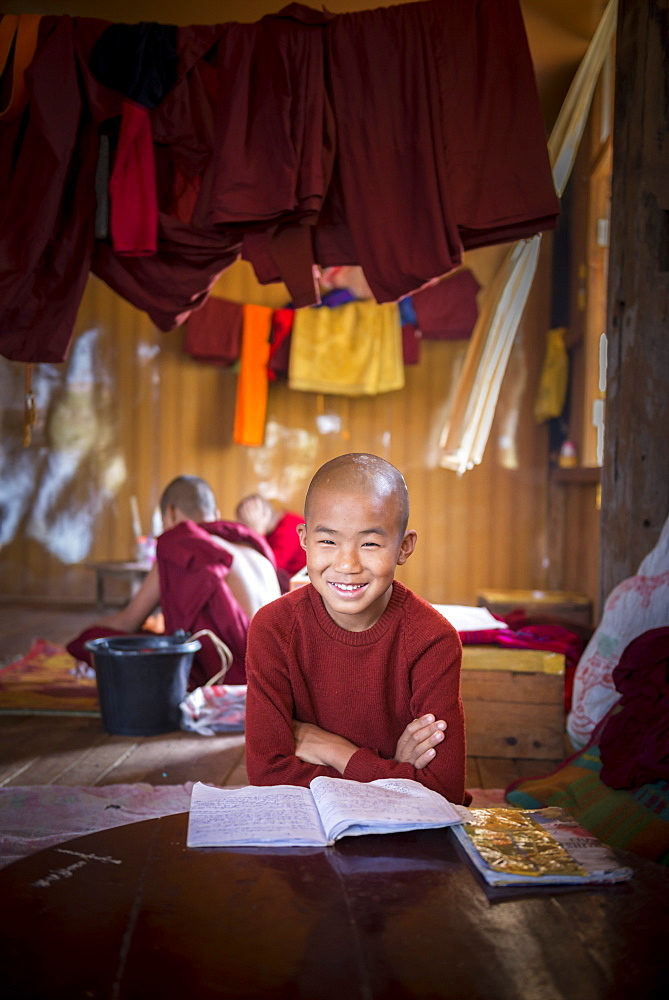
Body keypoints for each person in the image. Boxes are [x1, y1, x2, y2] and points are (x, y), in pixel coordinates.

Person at [244, 453, 469, 804]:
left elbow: (444, 792)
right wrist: (395, 770)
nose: (347, 565)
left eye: (370, 544)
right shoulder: (274, 628)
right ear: (304, 538)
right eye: (328, 541)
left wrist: (337, 752)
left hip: (404, 838)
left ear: (404, 547)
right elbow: (267, 775)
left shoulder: (432, 639)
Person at [67, 475, 281, 687]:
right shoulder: (255, 550)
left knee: (104, 640)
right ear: (215, 515)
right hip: (280, 669)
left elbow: (129, 620)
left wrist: (83, 640)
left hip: (242, 674)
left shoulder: (183, 545)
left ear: (169, 513)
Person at [234, 494, 306, 592]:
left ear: (265, 514)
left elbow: (268, 567)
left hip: (303, 586)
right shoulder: (271, 531)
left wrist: (258, 533)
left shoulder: (290, 528)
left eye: (249, 523)